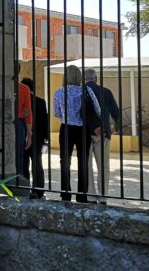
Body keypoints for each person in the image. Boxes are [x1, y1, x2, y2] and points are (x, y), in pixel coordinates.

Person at [53, 65, 101, 203]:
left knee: (65, 161)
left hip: (66, 128)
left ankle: (65, 193)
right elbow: (97, 109)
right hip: (82, 129)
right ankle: (82, 194)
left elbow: (56, 112)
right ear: (79, 76)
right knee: (83, 162)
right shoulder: (86, 91)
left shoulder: (59, 92)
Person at [84, 68, 120, 202]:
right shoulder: (105, 91)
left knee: (87, 166)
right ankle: (103, 195)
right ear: (96, 79)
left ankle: (91, 195)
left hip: (84, 133)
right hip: (103, 132)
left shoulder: (79, 91)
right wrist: (115, 128)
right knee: (103, 166)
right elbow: (116, 112)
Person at [23, 77, 48, 198]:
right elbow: (45, 121)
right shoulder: (41, 102)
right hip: (37, 138)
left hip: (23, 136)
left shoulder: (19, 101)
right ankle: (38, 190)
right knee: (37, 164)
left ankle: (24, 188)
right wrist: (46, 138)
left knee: (23, 164)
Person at [15, 78, 33, 181]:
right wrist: (29, 135)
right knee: (19, 155)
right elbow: (27, 112)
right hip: (19, 122)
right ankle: (18, 180)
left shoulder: (1, 86)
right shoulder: (24, 88)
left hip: (2, 122)